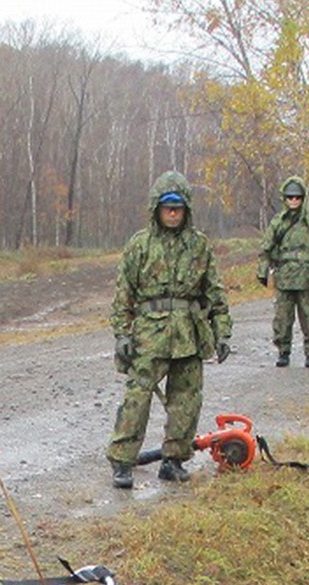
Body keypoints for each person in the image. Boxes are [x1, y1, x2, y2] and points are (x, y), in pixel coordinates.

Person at [107, 171, 233, 490]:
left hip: (188, 335)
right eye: (167, 208)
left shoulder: (199, 246)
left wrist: (222, 332)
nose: (173, 213)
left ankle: (173, 460)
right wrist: (122, 334)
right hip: (149, 335)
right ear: (157, 209)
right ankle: (122, 461)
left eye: (178, 208)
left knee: (187, 399)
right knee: (137, 397)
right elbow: (124, 293)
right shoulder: (140, 245)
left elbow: (214, 293)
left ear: (187, 209)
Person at [257, 176, 309, 368]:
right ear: (284, 199)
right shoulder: (278, 223)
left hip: (306, 278)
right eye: (290, 197)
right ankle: (283, 351)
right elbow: (266, 248)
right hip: (284, 278)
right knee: (282, 317)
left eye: (297, 197)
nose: (293, 201)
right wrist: (262, 271)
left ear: (303, 198)